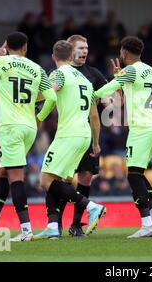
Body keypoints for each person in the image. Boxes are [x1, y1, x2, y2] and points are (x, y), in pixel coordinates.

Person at [0, 32, 57, 241]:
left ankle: (26, 230)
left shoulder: (0, 61)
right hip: (29, 128)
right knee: (3, 173)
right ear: (26, 47)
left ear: (7, 46)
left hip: (10, 127)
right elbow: (51, 97)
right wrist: (39, 117)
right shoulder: (37, 68)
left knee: (15, 177)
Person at [33, 40, 106, 240]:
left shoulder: (58, 74)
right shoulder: (84, 79)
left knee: (45, 180)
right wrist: (96, 142)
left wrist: (32, 104)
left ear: (53, 56)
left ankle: (91, 207)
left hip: (68, 135)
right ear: (71, 55)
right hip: (84, 136)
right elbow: (94, 116)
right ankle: (53, 226)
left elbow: (49, 95)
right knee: (59, 179)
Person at [95, 36, 152, 238]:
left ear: (124, 54)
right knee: (139, 173)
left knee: (133, 176)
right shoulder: (150, 71)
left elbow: (107, 90)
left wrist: (92, 94)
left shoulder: (130, 71)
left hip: (141, 129)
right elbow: (122, 100)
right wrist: (120, 81)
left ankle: (146, 225)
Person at [53, 35, 112, 238]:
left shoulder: (93, 74)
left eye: (86, 47)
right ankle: (56, 224)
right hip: (68, 133)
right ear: (70, 50)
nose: (85, 51)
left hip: (87, 134)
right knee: (62, 179)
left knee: (85, 177)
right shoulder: (61, 73)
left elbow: (110, 101)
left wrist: (116, 89)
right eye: (80, 47)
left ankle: (76, 224)